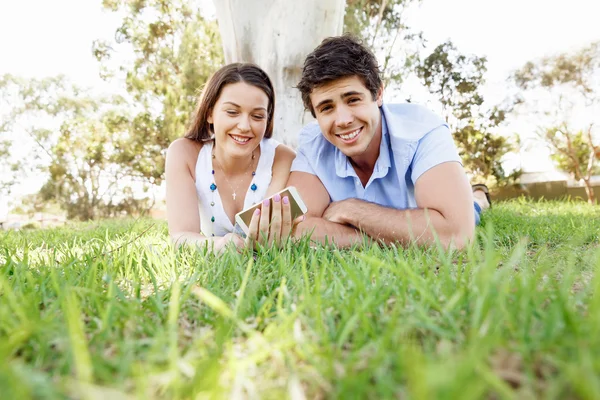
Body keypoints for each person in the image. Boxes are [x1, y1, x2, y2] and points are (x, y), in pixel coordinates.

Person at [287, 35, 490, 250]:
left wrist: (352, 210)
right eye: (327, 108)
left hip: (417, 205)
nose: (343, 120)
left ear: (379, 94)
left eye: (353, 100)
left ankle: (479, 197)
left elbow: (456, 234)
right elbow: (295, 228)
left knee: (472, 210)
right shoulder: (311, 144)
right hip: (412, 222)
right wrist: (382, 239)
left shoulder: (423, 130)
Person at [166, 63, 298, 253]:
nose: (244, 126)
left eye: (257, 116)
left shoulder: (282, 158)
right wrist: (220, 245)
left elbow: (268, 235)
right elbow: (180, 236)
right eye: (232, 112)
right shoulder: (184, 153)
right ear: (210, 113)